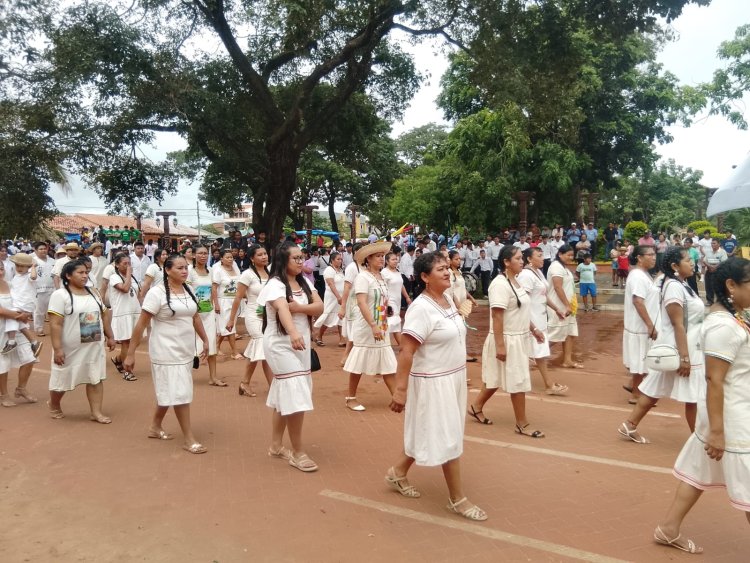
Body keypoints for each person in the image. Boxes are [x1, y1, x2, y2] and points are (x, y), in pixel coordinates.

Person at [654, 258, 750, 555]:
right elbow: (714, 379)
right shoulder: (723, 326)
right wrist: (718, 432)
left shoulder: (735, 317)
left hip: (727, 413)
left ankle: (668, 528)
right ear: (730, 286)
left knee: (698, 471)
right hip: (732, 418)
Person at [386, 251, 487, 521]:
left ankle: (397, 473)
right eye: (440, 269)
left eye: (447, 268)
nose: (447, 272)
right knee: (447, 437)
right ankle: (458, 499)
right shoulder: (421, 308)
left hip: (453, 378)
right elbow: (406, 352)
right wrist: (400, 390)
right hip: (432, 382)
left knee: (429, 430)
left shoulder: (447, 301)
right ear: (424, 277)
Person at [618, 246, 705, 444]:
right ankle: (698, 442)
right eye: (687, 260)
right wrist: (684, 357)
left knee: (654, 388)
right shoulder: (674, 286)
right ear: (675, 265)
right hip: (682, 348)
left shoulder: (682, 284)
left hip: (682, 346)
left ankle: (629, 425)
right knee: (693, 395)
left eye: (692, 259)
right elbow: (678, 324)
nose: (692, 263)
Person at [124, 254, 210, 454]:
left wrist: (205, 340)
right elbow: (141, 324)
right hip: (165, 350)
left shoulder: (189, 290)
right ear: (167, 270)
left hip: (185, 350)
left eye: (185, 267)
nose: (184, 271)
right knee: (180, 392)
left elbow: (196, 317)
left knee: (171, 389)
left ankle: (155, 426)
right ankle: (189, 438)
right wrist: (130, 353)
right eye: (179, 268)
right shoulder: (157, 293)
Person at [257, 242, 323, 472]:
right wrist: (293, 332)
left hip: (301, 344)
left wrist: (299, 308)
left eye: (301, 257)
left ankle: (276, 445)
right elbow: (282, 308)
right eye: (295, 257)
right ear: (283, 260)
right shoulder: (275, 284)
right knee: (295, 393)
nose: (299, 261)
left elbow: (319, 307)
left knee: (288, 391)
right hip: (281, 344)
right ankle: (298, 452)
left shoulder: (304, 282)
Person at [469, 246, 546, 436]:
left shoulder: (517, 282)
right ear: (506, 262)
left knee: (495, 377)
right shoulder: (499, 285)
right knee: (517, 380)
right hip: (506, 339)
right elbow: (497, 317)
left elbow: (519, 311)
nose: (522, 261)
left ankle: (476, 406)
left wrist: (534, 329)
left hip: (518, 338)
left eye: (522, 259)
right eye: (518, 258)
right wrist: (501, 346)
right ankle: (522, 424)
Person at [47, 260, 115, 422]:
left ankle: (96, 412)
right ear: (68, 276)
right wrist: (57, 349)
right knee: (62, 378)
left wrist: (110, 336)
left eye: (86, 272)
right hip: (69, 347)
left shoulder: (93, 292)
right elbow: (55, 324)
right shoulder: (60, 295)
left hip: (92, 343)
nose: (85, 275)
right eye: (80, 273)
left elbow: (104, 315)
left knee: (95, 377)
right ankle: (54, 404)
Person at [343, 241, 397, 412]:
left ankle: (397, 397)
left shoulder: (381, 277)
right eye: (378, 256)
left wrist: (386, 311)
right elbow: (361, 302)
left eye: (383, 256)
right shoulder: (362, 277)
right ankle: (351, 397)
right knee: (359, 363)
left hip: (381, 324)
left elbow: (380, 300)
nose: (382, 259)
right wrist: (373, 325)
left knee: (387, 362)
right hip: (367, 326)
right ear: (368, 259)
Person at [518, 247, 568, 395]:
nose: (543, 258)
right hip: (531, 320)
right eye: (539, 256)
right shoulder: (526, 275)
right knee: (538, 353)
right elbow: (523, 301)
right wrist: (531, 326)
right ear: (529, 259)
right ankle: (548, 384)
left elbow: (543, 295)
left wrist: (556, 309)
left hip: (540, 318)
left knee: (532, 352)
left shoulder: (538, 272)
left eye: (543, 255)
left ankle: (515, 378)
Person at [227, 244, 273, 396]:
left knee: (262, 350)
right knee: (262, 345)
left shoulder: (272, 272)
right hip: (253, 315)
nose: (264, 257)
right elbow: (238, 297)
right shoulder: (247, 275)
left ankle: (245, 383)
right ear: (252, 258)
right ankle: (273, 386)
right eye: (259, 255)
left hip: (269, 315)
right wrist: (231, 320)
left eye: (265, 253)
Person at [621, 246, 659, 405]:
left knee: (642, 360)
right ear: (639, 257)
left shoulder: (644, 275)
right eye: (650, 255)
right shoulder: (638, 276)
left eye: (654, 254)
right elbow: (638, 301)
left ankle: (633, 386)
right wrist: (650, 325)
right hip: (640, 327)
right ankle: (636, 394)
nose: (654, 257)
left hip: (642, 327)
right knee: (640, 361)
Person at [187, 245, 226, 388]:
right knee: (190, 346)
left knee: (211, 345)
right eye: (200, 253)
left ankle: (213, 377)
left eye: (205, 253)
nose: (203, 256)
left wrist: (214, 304)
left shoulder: (211, 271)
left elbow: (213, 290)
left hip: (208, 313)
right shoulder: (189, 272)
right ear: (193, 255)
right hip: (193, 314)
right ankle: (186, 377)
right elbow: (187, 291)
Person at [0, 261, 38, 407]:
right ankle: (3, 395)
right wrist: (19, 316)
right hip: (3, 327)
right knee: (2, 362)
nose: (0, 271)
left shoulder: (10, 284)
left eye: (1, 268)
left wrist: (25, 313)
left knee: (29, 357)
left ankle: (21, 388)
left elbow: (21, 300)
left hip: (17, 325)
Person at [547, 244, 581, 369]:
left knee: (570, 333)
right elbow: (557, 287)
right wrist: (566, 305)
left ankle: (567, 360)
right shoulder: (556, 267)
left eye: (572, 255)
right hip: (559, 306)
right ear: (560, 254)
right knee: (555, 335)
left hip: (569, 307)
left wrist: (571, 305)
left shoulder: (565, 268)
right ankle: (534, 353)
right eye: (568, 255)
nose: (571, 257)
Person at [1, 253, 43, 356]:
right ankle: (34, 342)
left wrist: (33, 266)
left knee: (12, 317)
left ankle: (11, 341)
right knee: (18, 320)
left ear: (28, 267)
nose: (19, 268)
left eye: (23, 266)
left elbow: (33, 277)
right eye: (17, 265)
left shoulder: (29, 275)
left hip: (25, 303)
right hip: (18, 303)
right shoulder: (16, 277)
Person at [109, 253, 141, 381]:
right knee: (127, 343)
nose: (128, 266)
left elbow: (138, 292)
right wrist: (128, 273)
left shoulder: (132, 277)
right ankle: (128, 371)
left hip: (134, 312)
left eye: (129, 263)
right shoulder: (114, 277)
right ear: (117, 265)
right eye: (125, 264)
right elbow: (125, 288)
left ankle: (118, 360)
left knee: (136, 341)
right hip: (122, 313)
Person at [447, 249, 477, 362]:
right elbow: (451, 291)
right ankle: (461, 354)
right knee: (459, 329)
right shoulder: (449, 273)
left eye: (459, 259)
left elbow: (463, 288)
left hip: (462, 304)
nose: (459, 261)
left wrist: (471, 298)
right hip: (455, 306)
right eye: (456, 259)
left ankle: (460, 353)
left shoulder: (459, 272)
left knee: (461, 329)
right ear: (450, 260)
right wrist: (458, 306)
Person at [212, 249, 242, 359]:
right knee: (229, 326)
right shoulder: (218, 270)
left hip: (235, 301)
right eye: (227, 257)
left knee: (227, 325)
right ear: (221, 259)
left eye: (231, 257)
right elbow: (214, 288)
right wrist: (216, 304)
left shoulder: (235, 267)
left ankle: (216, 346)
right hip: (223, 301)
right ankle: (234, 352)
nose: (230, 259)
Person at [314, 252, 345, 347]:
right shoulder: (329, 270)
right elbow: (331, 284)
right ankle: (319, 336)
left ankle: (342, 339)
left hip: (340, 297)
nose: (340, 261)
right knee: (328, 317)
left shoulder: (340, 271)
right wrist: (338, 297)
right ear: (332, 260)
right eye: (338, 259)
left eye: (341, 259)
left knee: (341, 317)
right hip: (332, 298)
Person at [382, 251, 411, 347]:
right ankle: (384, 345)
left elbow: (401, 285)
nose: (395, 261)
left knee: (396, 324)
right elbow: (382, 288)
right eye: (393, 259)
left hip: (397, 301)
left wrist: (407, 297)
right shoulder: (384, 273)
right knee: (391, 322)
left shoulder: (397, 271)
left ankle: (401, 346)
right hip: (389, 302)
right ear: (387, 261)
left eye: (396, 259)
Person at [32, 241, 55, 337]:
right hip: (38, 289)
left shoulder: (52, 261)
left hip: (52, 288)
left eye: (45, 248)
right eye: (40, 249)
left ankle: (55, 329)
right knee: (39, 311)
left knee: (53, 311)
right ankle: (39, 328)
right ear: (36, 250)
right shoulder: (32, 261)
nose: (43, 251)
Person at [702, 238, 728, 306]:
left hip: (719, 272)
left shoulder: (723, 252)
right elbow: (704, 260)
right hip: (709, 271)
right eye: (711, 243)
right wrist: (710, 266)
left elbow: (723, 262)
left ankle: (719, 301)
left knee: (719, 287)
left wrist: (714, 267)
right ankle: (710, 301)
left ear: (719, 244)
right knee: (708, 287)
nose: (712, 245)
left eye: (714, 243)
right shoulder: (708, 252)